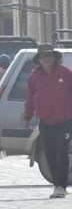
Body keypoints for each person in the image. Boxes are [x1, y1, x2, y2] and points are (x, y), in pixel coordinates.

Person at [24, 44, 72, 198]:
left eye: (49, 56)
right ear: (39, 59)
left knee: (62, 151)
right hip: (45, 121)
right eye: (43, 57)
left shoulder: (66, 74)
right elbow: (30, 99)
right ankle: (56, 184)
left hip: (65, 120)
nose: (46, 59)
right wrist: (27, 116)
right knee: (50, 153)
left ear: (54, 58)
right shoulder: (34, 77)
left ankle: (61, 186)